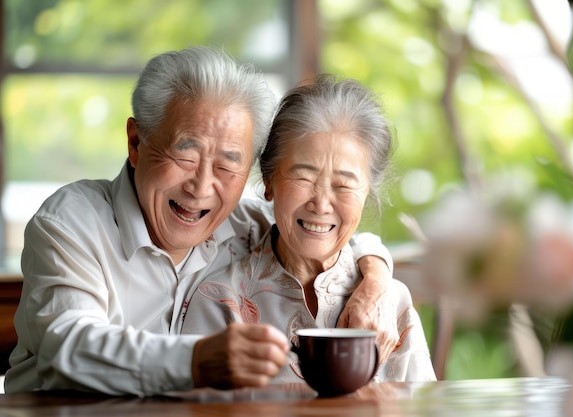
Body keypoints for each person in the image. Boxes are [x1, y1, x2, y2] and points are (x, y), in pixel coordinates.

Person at [4, 47, 399, 396]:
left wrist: (376, 280)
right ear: (136, 142)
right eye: (185, 153)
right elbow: (67, 346)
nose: (201, 187)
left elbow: (325, 227)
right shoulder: (73, 221)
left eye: (229, 162)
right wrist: (196, 360)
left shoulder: (243, 224)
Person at [181, 74, 436, 383]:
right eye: (304, 177)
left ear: (367, 194)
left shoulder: (390, 301)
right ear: (268, 181)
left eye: (344, 185)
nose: (322, 204)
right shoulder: (220, 300)